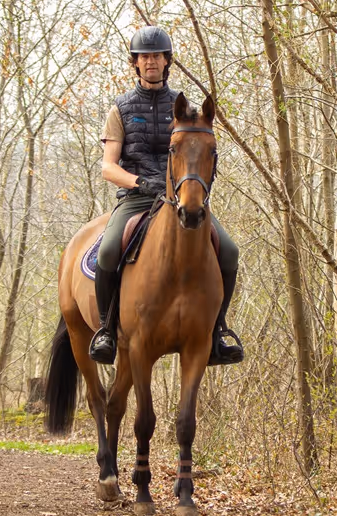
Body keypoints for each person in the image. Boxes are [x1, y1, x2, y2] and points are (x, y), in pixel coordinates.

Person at [89, 26, 243, 366]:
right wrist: (140, 182)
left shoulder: (184, 108)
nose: (151, 62)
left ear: (167, 61)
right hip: (138, 197)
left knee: (229, 251)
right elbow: (107, 167)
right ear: (136, 64)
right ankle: (107, 331)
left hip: (182, 198)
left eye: (157, 55)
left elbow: (199, 149)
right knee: (110, 249)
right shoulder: (121, 109)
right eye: (145, 57)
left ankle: (217, 331)